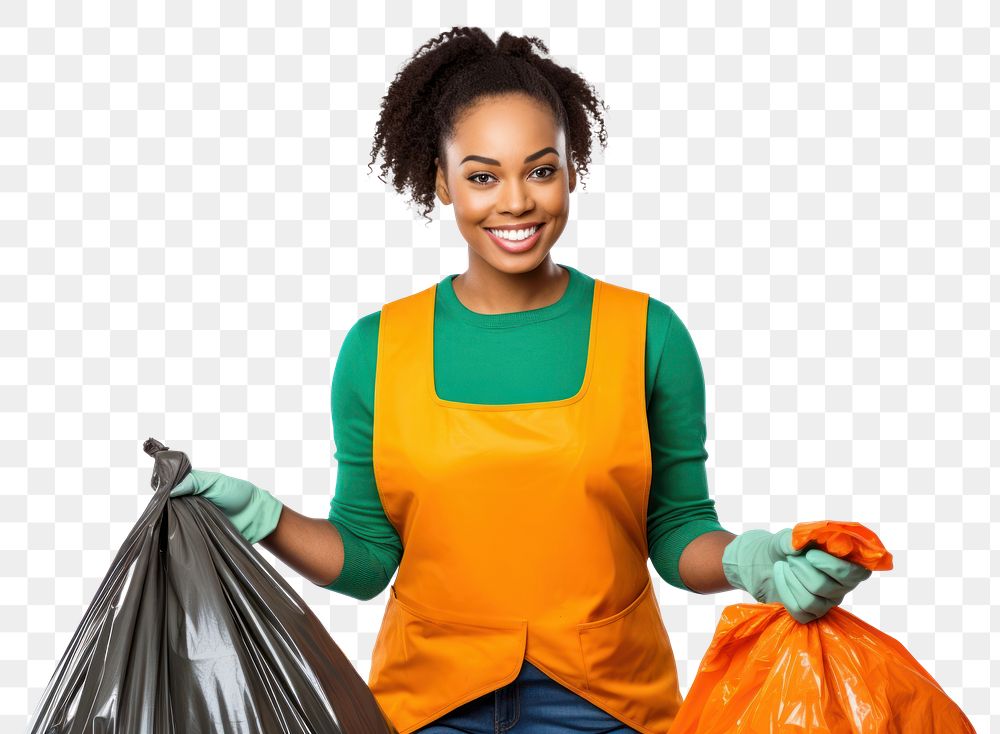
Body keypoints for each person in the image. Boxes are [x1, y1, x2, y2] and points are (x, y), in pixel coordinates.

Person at [170, 27, 873, 734]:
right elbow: (366, 558)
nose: (516, 202)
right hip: (427, 709)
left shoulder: (648, 334)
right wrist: (260, 518)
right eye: (482, 175)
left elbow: (675, 529)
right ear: (442, 181)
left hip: (609, 707)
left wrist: (754, 559)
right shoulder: (378, 348)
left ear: (572, 171)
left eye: (541, 171)